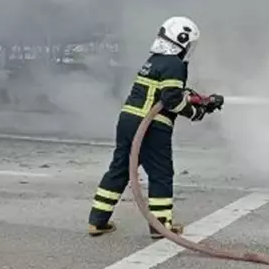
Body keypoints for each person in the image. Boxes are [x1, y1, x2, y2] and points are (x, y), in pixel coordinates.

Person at [87, 16, 224, 238]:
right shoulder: (175, 64)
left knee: (119, 169)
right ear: (183, 40)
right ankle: (160, 226)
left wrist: (200, 102)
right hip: (152, 126)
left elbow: (166, 94)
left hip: (128, 121)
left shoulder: (155, 60)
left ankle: (97, 220)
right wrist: (195, 113)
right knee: (161, 173)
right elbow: (171, 100)